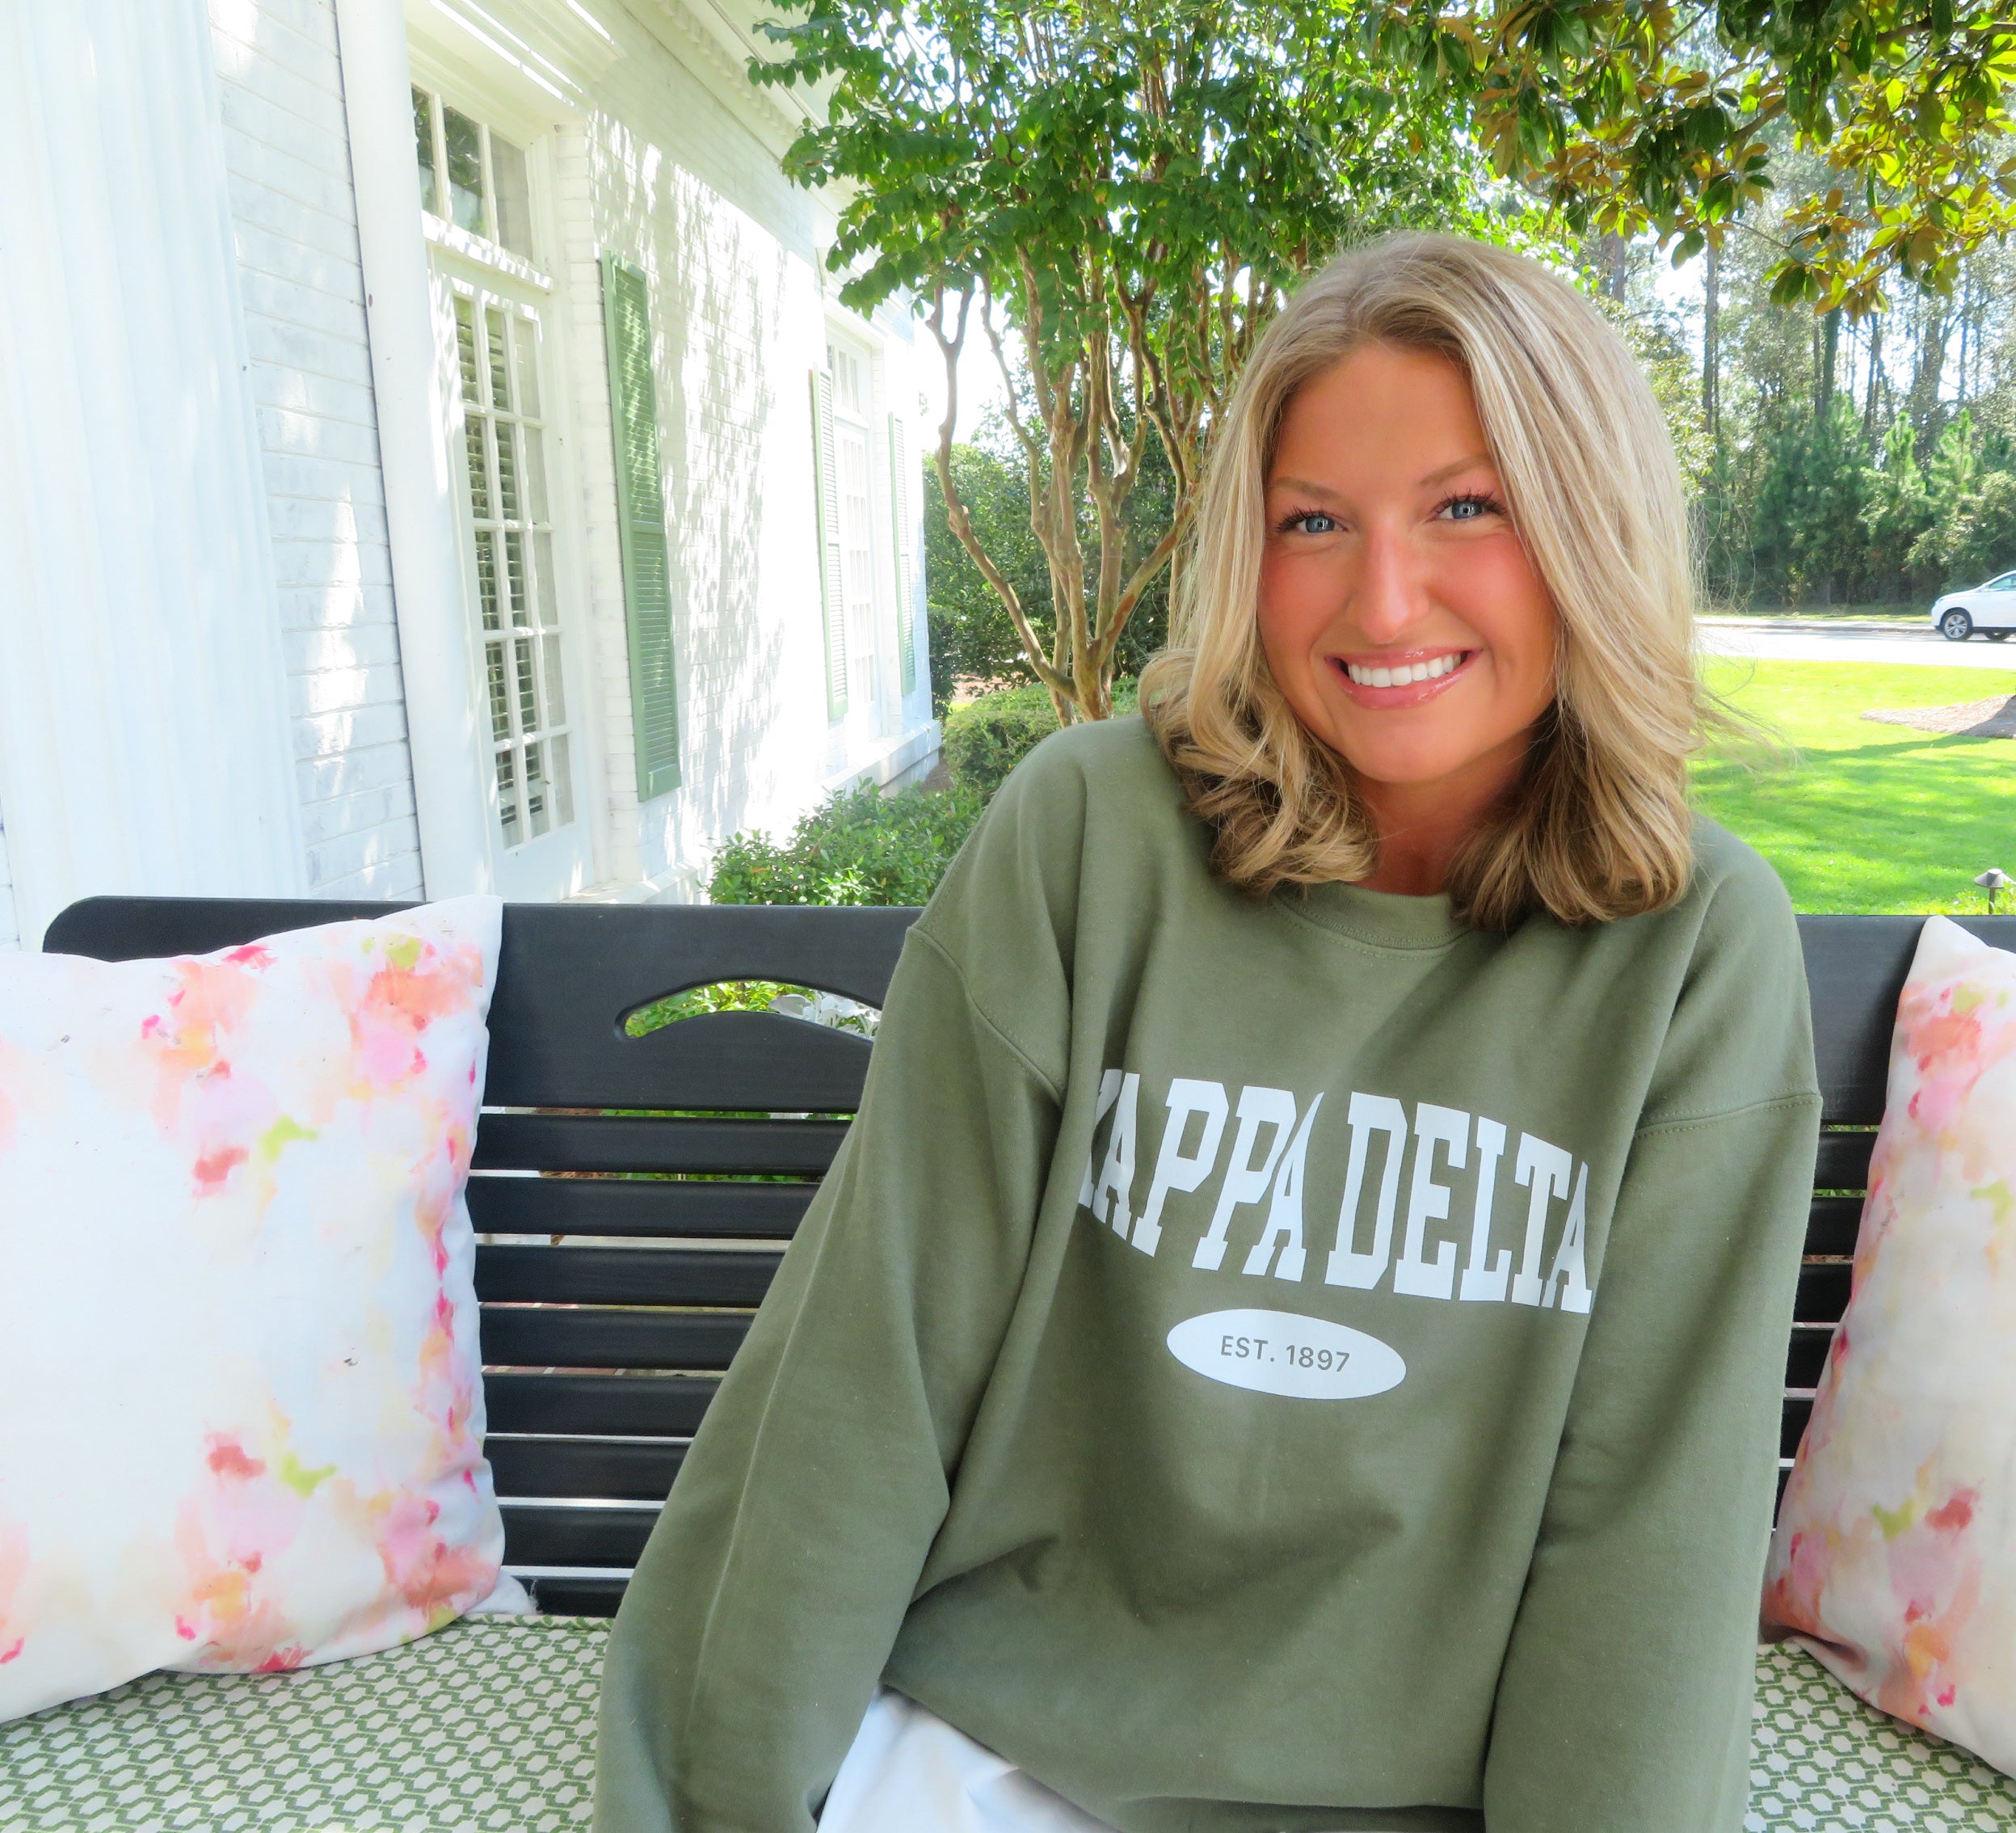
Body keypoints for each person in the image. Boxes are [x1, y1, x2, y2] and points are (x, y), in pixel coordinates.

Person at [592, 232, 1820, 1833]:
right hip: (993, 1754)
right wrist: (720, 1801)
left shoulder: (1695, 949)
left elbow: (1650, 1534)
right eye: (1314, 522)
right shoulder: (1086, 839)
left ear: (1591, 524)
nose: (1385, 599)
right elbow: (872, 1366)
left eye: (1467, 507)